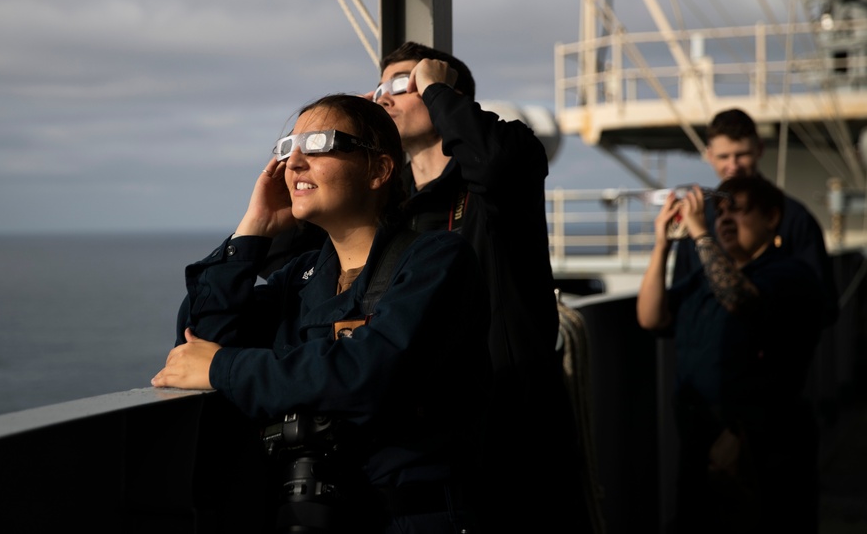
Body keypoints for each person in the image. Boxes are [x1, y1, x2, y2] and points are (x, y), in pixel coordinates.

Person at [152, 94, 492, 533]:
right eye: (287, 149)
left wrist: (225, 367)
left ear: (379, 170)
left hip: (417, 518)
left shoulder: (436, 259)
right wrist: (251, 231)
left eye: (317, 144)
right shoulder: (301, 278)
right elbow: (199, 337)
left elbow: (366, 371)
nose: (293, 163)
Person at [373, 42, 590, 532]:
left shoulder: (500, 175)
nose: (383, 97)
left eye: (402, 84)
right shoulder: (388, 210)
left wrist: (433, 87)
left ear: (447, 97)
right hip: (426, 445)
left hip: (513, 431)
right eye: (379, 86)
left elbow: (493, 160)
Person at [638, 176, 823, 532]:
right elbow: (651, 317)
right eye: (719, 211)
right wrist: (661, 245)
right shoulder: (703, 279)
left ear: (771, 218)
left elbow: (739, 298)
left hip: (765, 449)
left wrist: (701, 234)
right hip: (701, 441)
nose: (723, 219)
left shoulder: (790, 273)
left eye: (736, 211)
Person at [672, 108, 838, 327]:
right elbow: (676, 302)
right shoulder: (698, 217)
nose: (733, 166)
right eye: (723, 157)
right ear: (710, 156)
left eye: (741, 155)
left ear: (759, 149)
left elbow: (821, 304)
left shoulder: (794, 217)